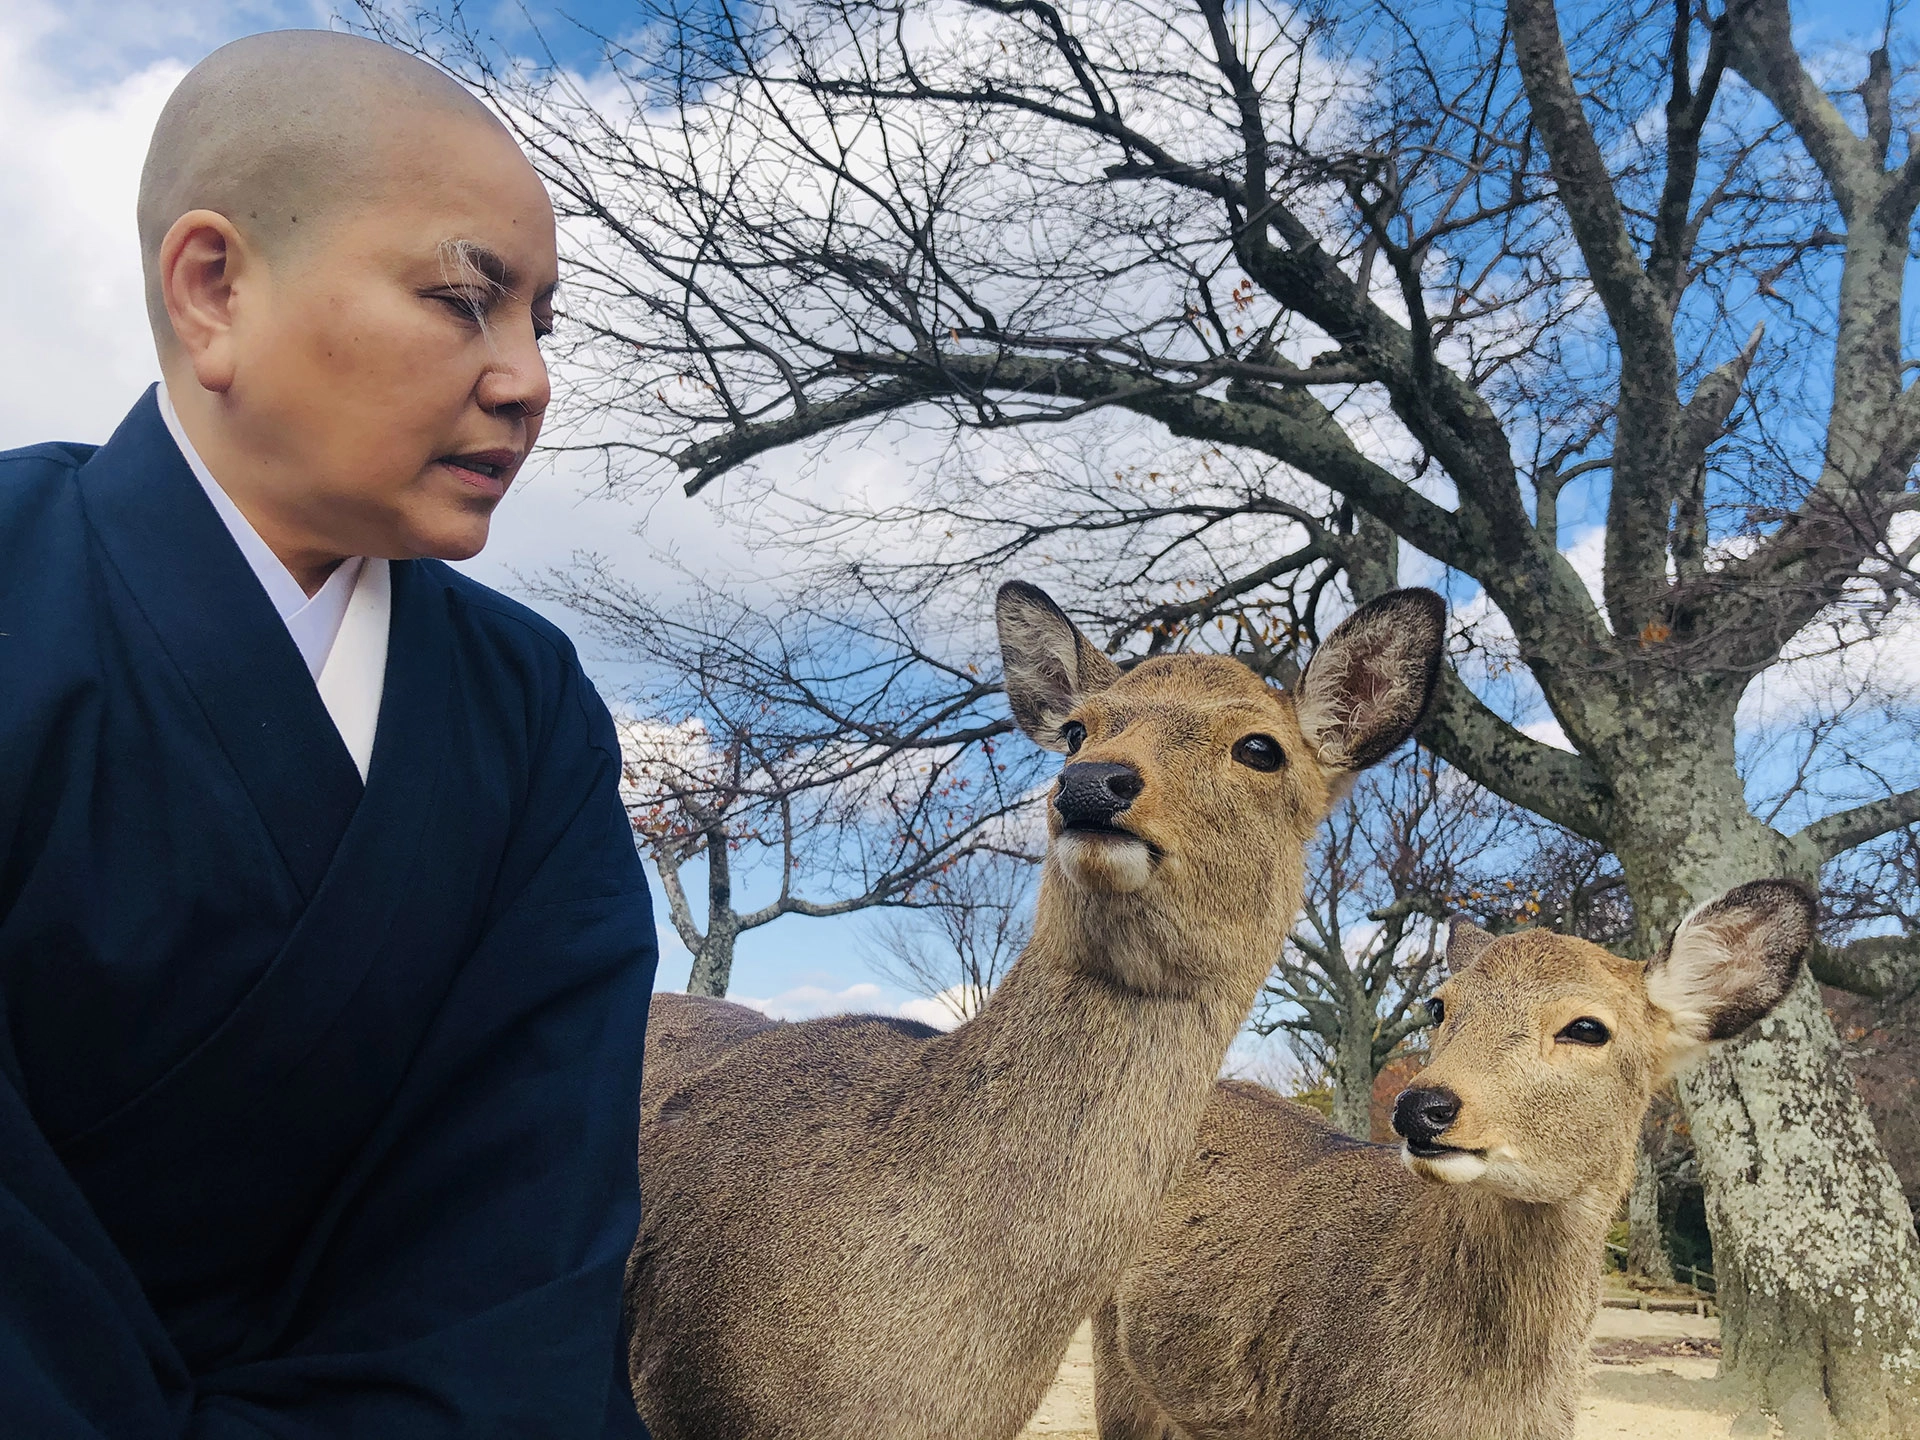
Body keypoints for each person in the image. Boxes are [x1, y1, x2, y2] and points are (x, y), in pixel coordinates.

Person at [0, 30, 657, 1438]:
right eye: (467, 299)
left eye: (546, 320)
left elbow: (525, 1237)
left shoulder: (529, 711)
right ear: (214, 288)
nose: (530, 379)